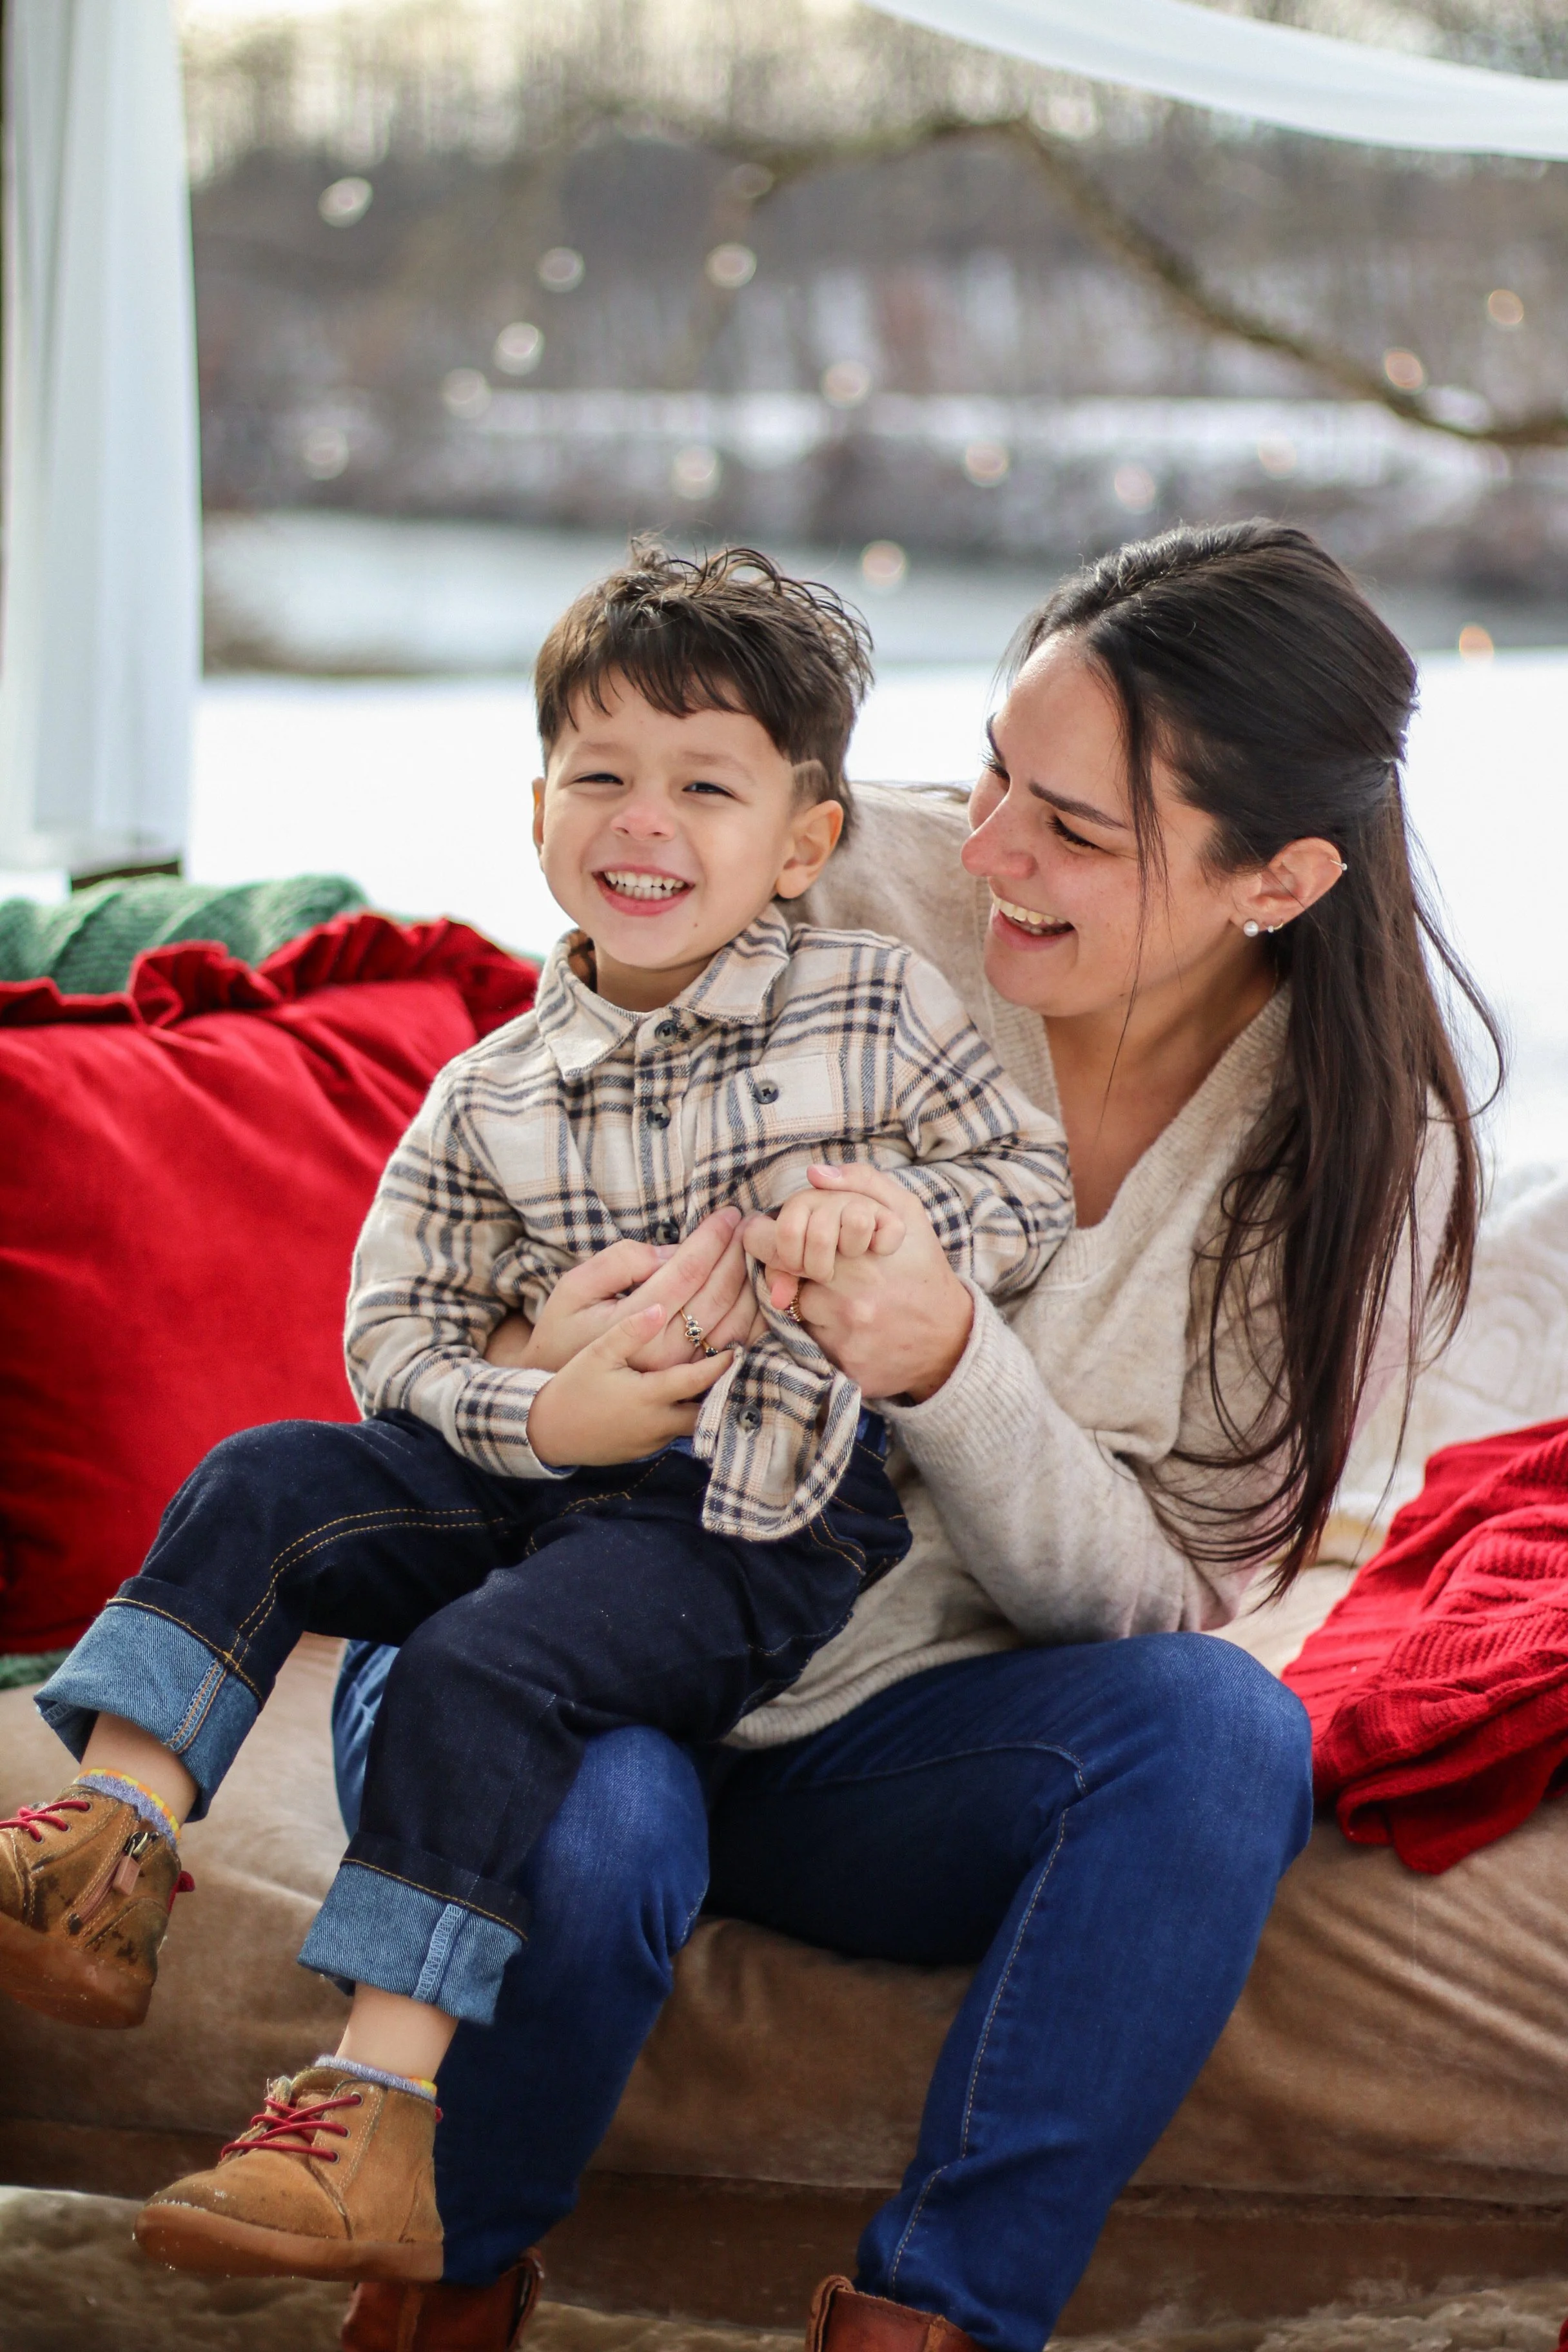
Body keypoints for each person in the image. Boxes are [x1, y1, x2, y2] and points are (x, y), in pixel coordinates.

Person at [329, 519, 1497, 2352]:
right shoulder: (823, 862)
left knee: (1220, 1735)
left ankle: (929, 2322)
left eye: (1077, 833)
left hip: (877, 1741)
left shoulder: (1343, 1158)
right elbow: (482, 1176)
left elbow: (1160, 1596)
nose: (990, 851)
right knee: (607, 1841)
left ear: (1275, 881)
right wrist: (549, 1337)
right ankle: (437, 2300)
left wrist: (954, 1365)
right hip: (553, 1656)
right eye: (994, 778)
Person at [0, 546, 1073, 2284]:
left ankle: (372, 2106)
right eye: (601, 775)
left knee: (485, 1664)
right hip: (535, 1473)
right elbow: (394, 1344)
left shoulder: (873, 1015)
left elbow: (1026, 1191)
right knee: (267, 1474)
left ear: (802, 841)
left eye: (705, 785)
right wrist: (540, 1405)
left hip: (746, 1517)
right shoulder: (489, 1088)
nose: (643, 821)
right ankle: (105, 1850)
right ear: (536, 806)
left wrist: (896, 1233)